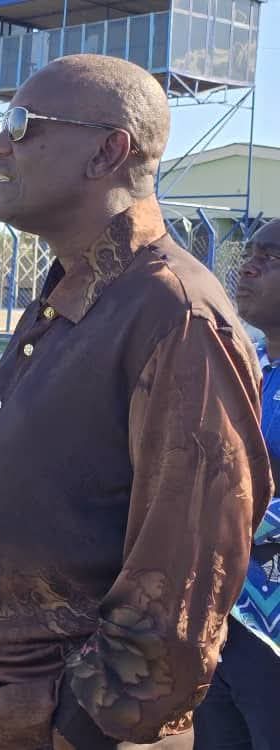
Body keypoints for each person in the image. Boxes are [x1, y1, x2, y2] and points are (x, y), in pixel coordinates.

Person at [0, 54, 272, 749]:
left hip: (40, 727)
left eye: (22, 125)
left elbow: (182, 579)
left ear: (107, 151)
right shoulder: (75, 290)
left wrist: (84, 731)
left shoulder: (172, 313)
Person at [193, 220, 280, 749]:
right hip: (232, 620)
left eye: (271, 258)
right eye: (250, 253)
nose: (247, 266)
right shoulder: (250, 368)